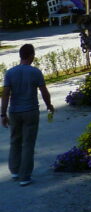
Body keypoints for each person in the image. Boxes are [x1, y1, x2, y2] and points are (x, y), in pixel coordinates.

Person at [2, 44, 54, 186]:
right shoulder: (35, 72)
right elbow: (44, 92)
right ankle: (25, 177)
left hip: (14, 112)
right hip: (31, 111)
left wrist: (3, 114)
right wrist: (49, 105)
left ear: (20, 55)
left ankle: (15, 171)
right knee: (28, 143)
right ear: (31, 56)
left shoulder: (10, 73)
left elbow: (5, 94)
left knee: (15, 141)